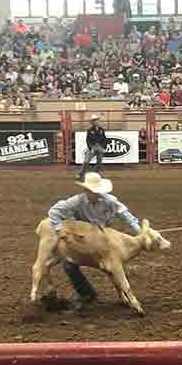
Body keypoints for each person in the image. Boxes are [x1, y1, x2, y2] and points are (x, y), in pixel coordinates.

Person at [46, 172, 143, 309]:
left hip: (103, 239)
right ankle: (85, 293)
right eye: (93, 191)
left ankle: (123, 294)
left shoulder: (109, 200)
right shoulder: (77, 201)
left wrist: (139, 231)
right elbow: (54, 212)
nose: (96, 194)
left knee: (114, 266)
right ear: (86, 190)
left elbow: (125, 214)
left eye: (98, 191)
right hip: (83, 239)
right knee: (69, 264)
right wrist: (58, 228)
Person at [78, 113, 106, 178]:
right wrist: (91, 148)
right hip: (92, 147)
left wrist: (103, 147)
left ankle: (97, 173)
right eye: (95, 120)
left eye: (97, 120)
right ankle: (81, 173)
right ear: (92, 122)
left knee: (99, 162)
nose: (96, 122)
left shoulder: (101, 130)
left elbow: (104, 139)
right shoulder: (90, 130)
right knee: (86, 161)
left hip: (100, 147)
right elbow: (88, 141)